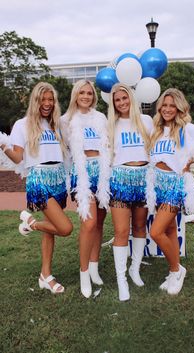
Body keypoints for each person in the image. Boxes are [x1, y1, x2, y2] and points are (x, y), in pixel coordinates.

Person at [0, 82, 73, 294]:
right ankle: (31, 223)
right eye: (44, 99)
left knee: (50, 231)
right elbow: (17, 157)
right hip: (39, 179)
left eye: (51, 100)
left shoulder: (56, 125)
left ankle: (45, 276)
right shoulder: (22, 125)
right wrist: (3, 145)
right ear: (36, 100)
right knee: (65, 228)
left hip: (58, 179)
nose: (48, 104)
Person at [149, 88, 194, 295]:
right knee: (170, 230)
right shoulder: (157, 129)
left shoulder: (187, 128)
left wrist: (192, 159)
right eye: (164, 105)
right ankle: (174, 272)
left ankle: (177, 269)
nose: (168, 109)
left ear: (180, 107)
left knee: (156, 232)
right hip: (158, 184)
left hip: (175, 184)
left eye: (172, 105)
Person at [60, 80, 110, 298]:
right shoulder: (65, 120)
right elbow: (62, 149)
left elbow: (108, 145)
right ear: (75, 94)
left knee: (99, 221)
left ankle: (94, 267)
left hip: (102, 172)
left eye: (89, 93)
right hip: (81, 174)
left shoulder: (101, 117)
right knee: (88, 223)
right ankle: (83, 274)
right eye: (82, 92)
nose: (86, 96)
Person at [107, 83, 154, 301]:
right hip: (120, 179)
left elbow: (154, 150)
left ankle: (135, 269)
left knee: (139, 226)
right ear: (113, 103)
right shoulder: (110, 125)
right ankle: (121, 280)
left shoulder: (146, 121)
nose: (122, 103)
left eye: (125, 98)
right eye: (117, 100)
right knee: (121, 231)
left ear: (131, 99)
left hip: (144, 178)